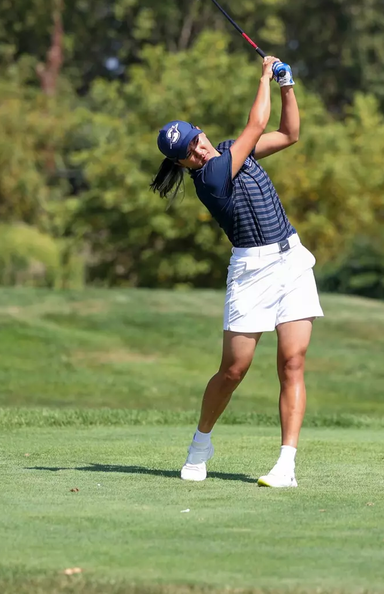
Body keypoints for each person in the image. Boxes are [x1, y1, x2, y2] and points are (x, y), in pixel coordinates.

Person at [150, 56, 322, 488]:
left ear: (201, 132)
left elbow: (288, 134)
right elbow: (257, 123)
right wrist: (264, 75)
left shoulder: (227, 149)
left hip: (292, 259)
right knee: (234, 369)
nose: (197, 150)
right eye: (187, 153)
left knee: (293, 361)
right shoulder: (209, 177)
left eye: (196, 140)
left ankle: (286, 465)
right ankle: (199, 445)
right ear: (183, 164)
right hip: (252, 271)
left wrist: (287, 84)